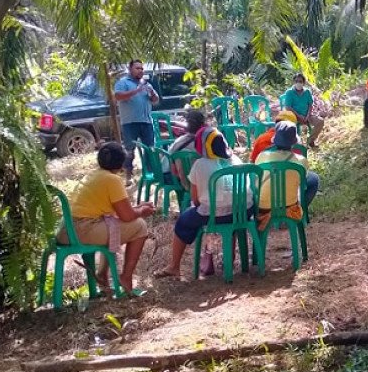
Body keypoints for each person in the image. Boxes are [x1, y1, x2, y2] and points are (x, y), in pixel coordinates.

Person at [153, 127, 252, 279]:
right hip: (243, 212)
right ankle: (229, 259)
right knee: (229, 218)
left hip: (215, 215)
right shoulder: (236, 160)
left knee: (183, 222)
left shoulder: (200, 164)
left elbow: (195, 199)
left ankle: (174, 266)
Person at [61, 142, 154, 293]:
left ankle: (102, 274)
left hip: (68, 228)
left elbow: (118, 212)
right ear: (121, 163)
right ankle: (126, 277)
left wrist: (138, 207)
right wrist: (142, 211)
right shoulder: (112, 180)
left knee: (112, 223)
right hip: (82, 230)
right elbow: (127, 216)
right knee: (140, 226)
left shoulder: (95, 174)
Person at [254, 121, 319, 229]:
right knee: (314, 179)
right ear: (294, 142)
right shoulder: (301, 161)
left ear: (275, 141)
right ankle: (293, 217)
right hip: (289, 207)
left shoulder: (262, 156)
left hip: (263, 208)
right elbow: (302, 183)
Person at [114, 59, 159, 186]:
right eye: (137, 68)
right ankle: (128, 176)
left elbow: (156, 100)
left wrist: (151, 95)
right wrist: (137, 91)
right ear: (130, 69)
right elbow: (118, 96)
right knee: (129, 150)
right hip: (130, 122)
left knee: (150, 148)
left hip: (146, 121)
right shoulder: (123, 82)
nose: (140, 71)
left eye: (141, 68)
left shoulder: (147, 84)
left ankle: (149, 174)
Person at [162, 109, 206, 189]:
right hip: (194, 181)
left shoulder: (179, 141)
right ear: (203, 125)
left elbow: (172, 167)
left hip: (172, 176)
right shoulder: (205, 143)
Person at [280, 73, 324, 148]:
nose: (298, 83)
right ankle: (294, 144)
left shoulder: (307, 92)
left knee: (320, 121)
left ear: (303, 83)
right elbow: (288, 107)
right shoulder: (289, 92)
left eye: (300, 81)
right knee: (288, 125)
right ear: (294, 82)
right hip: (294, 116)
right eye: (296, 81)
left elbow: (310, 105)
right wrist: (299, 116)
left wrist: (307, 116)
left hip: (307, 115)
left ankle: (310, 141)